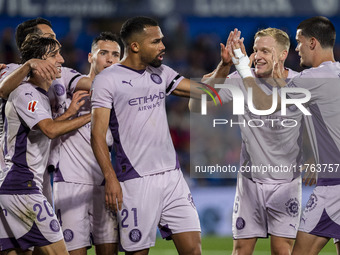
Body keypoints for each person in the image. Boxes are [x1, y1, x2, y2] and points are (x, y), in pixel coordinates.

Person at [90, 16, 230, 255]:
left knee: (194, 250)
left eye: (162, 40)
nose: (163, 46)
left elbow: (206, 94)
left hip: (173, 177)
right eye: (156, 41)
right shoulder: (107, 80)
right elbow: (97, 135)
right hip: (135, 180)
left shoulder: (162, 73)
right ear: (135, 46)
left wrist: (224, 65)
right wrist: (110, 177)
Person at [229, 16, 340, 255]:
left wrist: (241, 66)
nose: (297, 49)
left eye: (299, 43)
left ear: (312, 43)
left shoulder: (311, 79)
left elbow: (263, 104)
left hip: (333, 186)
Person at [189, 28, 304, 255]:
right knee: (242, 249)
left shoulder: (299, 83)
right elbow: (197, 104)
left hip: (286, 182)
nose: (257, 56)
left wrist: (243, 71)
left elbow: (264, 104)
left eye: (265, 51)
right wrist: (225, 65)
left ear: (282, 55)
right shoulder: (242, 78)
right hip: (250, 182)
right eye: (255, 50)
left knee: (282, 250)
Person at [0, 34, 90, 254]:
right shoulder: (25, 92)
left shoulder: (37, 94)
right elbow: (50, 130)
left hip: (12, 187)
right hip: (22, 186)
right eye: (54, 55)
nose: (61, 60)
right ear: (39, 62)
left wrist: (69, 114)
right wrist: (94, 115)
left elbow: (42, 128)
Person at [53, 32, 121, 255]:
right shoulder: (69, 84)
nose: (110, 59)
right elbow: (49, 129)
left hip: (104, 186)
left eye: (116, 55)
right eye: (104, 54)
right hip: (70, 185)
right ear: (91, 56)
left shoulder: (120, 100)